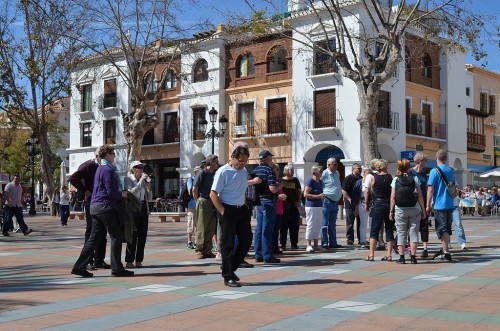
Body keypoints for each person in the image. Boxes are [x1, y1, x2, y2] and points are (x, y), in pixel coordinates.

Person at [71, 145, 133, 278]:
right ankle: (117, 269)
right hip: (106, 207)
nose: (115, 157)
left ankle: (79, 267)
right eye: (113, 154)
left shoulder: (99, 168)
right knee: (116, 236)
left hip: (95, 206)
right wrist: (122, 194)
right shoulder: (107, 170)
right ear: (108, 155)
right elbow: (111, 192)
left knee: (93, 239)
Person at [210, 145, 261, 287]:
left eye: (245, 161)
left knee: (246, 239)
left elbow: (242, 184)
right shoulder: (223, 172)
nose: (242, 164)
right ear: (232, 157)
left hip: (242, 209)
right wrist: (223, 211)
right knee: (228, 244)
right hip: (227, 209)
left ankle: (229, 267)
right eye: (240, 161)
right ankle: (228, 276)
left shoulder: (243, 170)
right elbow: (213, 193)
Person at [68, 148, 109, 270]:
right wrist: (85, 190)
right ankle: (88, 261)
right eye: (108, 156)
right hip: (91, 202)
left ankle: (99, 260)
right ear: (99, 157)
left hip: (102, 203)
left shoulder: (103, 167)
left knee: (102, 232)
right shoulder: (89, 165)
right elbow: (72, 178)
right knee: (92, 232)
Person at [390, 158, 426, 264]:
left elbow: (392, 197)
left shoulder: (396, 179)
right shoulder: (414, 178)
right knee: (414, 233)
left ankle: (402, 258)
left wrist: (391, 211)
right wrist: (423, 210)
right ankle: (413, 257)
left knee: (401, 233)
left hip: (400, 209)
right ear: (408, 167)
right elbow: (420, 196)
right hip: (415, 208)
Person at [253, 150, 281, 264]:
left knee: (259, 229)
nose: (272, 159)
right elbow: (273, 189)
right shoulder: (269, 170)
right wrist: (280, 185)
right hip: (268, 202)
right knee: (268, 229)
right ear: (267, 158)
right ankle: (267, 255)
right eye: (271, 157)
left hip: (259, 202)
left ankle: (258, 254)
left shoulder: (255, 170)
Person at [426, 149, 455, 261]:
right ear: (446, 158)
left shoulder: (434, 171)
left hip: (439, 204)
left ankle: (446, 252)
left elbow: (430, 189)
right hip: (449, 203)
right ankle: (445, 250)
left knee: (442, 229)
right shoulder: (451, 170)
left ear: (436, 158)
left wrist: (428, 204)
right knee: (447, 227)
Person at [364, 159, 394, 261]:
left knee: (374, 229)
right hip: (388, 203)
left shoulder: (373, 178)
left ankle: (371, 254)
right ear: (384, 166)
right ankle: (389, 254)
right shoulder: (391, 177)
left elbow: (372, 190)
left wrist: (367, 203)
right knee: (389, 229)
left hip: (378, 203)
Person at [124, 160, 150, 268]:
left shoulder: (142, 181)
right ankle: (129, 261)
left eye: (142, 168)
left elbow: (148, 197)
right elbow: (131, 192)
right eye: (139, 168)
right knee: (132, 236)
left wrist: (149, 189)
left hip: (143, 208)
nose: (142, 170)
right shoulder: (128, 179)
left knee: (142, 236)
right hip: (133, 209)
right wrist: (140, 182)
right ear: (134, 169)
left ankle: (139, 260)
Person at [192, 154, 219, 259]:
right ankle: (199, 249)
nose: (217, 164)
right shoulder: (202, 173)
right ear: (211, 162)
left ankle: (207, 250)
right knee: (201, 226)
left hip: (213, 201)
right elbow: (195, 188)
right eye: (216, 162)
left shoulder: (214, 174)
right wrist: (197, 200)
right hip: (203, 200)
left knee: (211, 226)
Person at [407, 152, 430, 258]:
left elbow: (425, 187)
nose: (427, 162)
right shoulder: (410, 172)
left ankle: (425, 249)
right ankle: (410, 248)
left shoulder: (423, 174)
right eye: (425, 160)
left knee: (424, 224)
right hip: (413, 201)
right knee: (412, 225)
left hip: (423, 200)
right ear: (420, 161)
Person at [321, 157, 342, 248]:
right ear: (328, 165)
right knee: (324, 224)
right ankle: (325, 242)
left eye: (337, 164)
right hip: (326, 200)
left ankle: (333, 242)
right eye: (335, 164)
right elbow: (319, 185)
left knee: (332, 224)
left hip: (335, 201)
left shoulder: (337, 173)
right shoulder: (324, 174)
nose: (337, 166)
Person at [280, 163, 302, 251]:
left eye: (293, 170)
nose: (292, 172)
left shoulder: (295, 180)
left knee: (294, 226)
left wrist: (299, 201)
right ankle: (283, 244)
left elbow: (299, 191)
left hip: (293, 206)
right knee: (283, 226)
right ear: (286, 171)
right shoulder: (281, 180)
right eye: (291, 170)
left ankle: (294, 243)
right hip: (284, 207)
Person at [304, 165, 324, 252]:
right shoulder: (310, 181)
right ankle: (308, 245)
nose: (322, 172)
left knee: (318, 225)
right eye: (321, 171)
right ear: (316, 172)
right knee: (311, 224)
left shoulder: (320, 181)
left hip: (319, 205)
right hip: (311, 206)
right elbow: (305, 194)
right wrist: (317, 196)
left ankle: (316, 244)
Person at [342, 163, 362, 245]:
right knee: (350, 222)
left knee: (360, 222)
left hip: (359, 203)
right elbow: (344, 191)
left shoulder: (361, 178)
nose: (360, 170)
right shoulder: (348, 178)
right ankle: (350, 239)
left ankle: (361, 238)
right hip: (350, 204)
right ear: (353, 169)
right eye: (358, 168)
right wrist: (349, 199)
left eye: (360, 168)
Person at [271, 163, 287, 255]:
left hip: (280, 208)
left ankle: (275, 246)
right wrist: (279, 195)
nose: (277, 171)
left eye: (278, 169)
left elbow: (281, 192)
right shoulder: (272, 181)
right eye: (276, 169)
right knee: (272, 229)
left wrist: (284, 195)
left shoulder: (279, 181)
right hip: (274, 208)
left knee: (277, 229)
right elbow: (272, 193)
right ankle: (272, 247)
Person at [186, 166, 201, 249]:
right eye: (198, 172)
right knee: (191, 223)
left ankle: (196, 242)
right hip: (191, 205)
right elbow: (190, 191)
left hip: (200, 205)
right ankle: (189, 241)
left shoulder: (201, 180)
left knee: (198, 225)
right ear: (195, 172)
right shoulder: (190, 180)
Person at [452, 185, 469, 250]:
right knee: (446, 225)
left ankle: (462, 243)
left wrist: (455, 191)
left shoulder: (452, 177)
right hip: (444, 205)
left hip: (455, 205)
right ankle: (447, 243)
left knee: (458, 224)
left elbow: (457, 190)